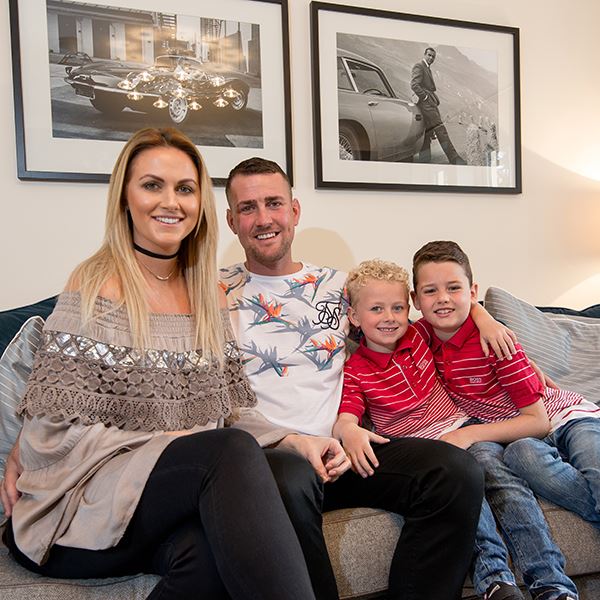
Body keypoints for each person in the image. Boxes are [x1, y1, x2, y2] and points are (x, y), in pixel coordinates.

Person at [0, 128, 317, 600]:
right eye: (152, 185)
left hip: (161, 495)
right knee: (225, 450)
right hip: (76, 508)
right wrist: (179, 441)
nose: (171, 202)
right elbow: (51, 434)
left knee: (231, 535)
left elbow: (232, 410)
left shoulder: (209, 296)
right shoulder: (95, 286)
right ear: (125, 197)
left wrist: (293, 438)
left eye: (185, 189)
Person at [221, 157, 487, 600]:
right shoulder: (215, 293)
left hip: (346, 454)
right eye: (248, 208)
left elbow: (426, 305)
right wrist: (290, 442)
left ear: (295, 211)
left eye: (274, 203)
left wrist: (483, 314)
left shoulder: (338, 286)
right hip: (272, 459)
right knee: (289, 478)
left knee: (456, 470)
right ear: (232, 221)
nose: (263, 218)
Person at [411, 240, 586, 600]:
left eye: (454, 288)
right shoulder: (419, 336)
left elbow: (537, 419)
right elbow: (376, 319)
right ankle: (518, 586)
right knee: (495, 467)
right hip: (496, 431)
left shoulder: (496, 340)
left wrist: (483, 316)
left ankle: (553, 586)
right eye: (430, 291)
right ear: (416, 300)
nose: (442, 298)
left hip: (558, 416)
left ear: (472, 292)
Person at [411, 47, 466, 165]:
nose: (431, 58)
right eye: (429, 55)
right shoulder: (419, 66)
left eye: (433, 57)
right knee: (441, 129)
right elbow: (414, 85)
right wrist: (425, 97)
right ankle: (454, 159)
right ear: (424, 54)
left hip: (428, 104)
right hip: (427, 105)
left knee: (427, 132)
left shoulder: (426, 68)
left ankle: (424, 159)